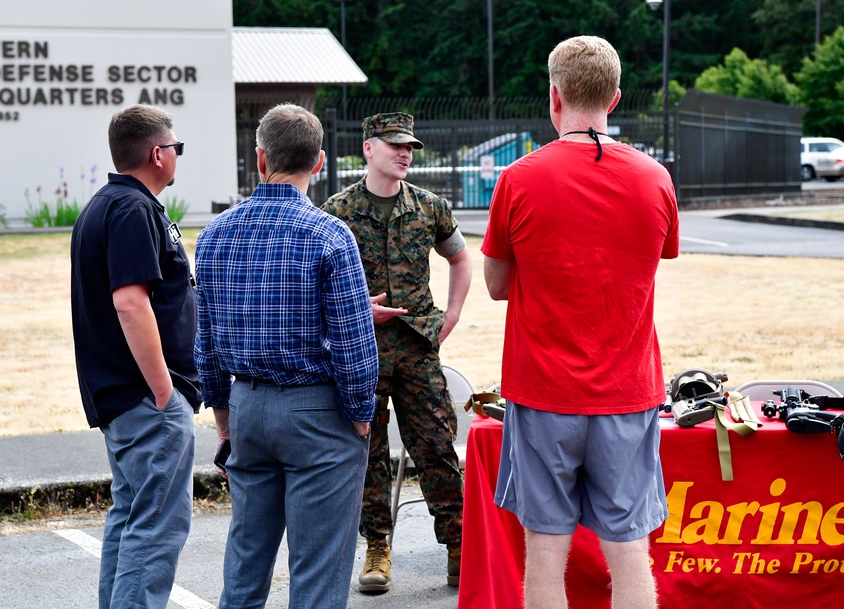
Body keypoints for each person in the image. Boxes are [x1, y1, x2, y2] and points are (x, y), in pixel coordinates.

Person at [481, 35, 680, 609]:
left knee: (545, 546)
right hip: (627, 388)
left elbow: (497, 286)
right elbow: (654, 259)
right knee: (628, 547)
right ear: (615, 98)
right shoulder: (654, 178)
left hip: (543, 389)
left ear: (554, 96)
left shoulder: (518, 179)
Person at [194, 103, 378, 609]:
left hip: (247, 405)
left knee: (246, 559)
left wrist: (225, 422)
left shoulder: (214, 235)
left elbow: (205, 343)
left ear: (260, 159)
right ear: (319, 163)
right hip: (318, 412)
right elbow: (353, 342)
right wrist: (360, 417)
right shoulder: (330, 235)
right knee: (318, 571)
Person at [322, 112, 472, 591]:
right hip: (361, 351)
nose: (405, 153)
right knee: (367, 453)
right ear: (369, 148)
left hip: (417, 349)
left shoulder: (429, 207)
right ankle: (378, 548)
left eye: (410, 146)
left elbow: (461, 258)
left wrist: (449, 317)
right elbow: (317, 282)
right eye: (395, 145)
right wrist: (354, 311)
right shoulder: (337, 211)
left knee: (436, 448)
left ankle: (459, 546)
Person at [71, 104, 200, 609]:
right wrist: (165, 392)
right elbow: (130, 302)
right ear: (157, 153)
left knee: (130, 519)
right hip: (147, 401)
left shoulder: (106, 205)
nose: (177, 156)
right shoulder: (132, 209)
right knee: (156, 530)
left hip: (127, 400)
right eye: (176, 147)